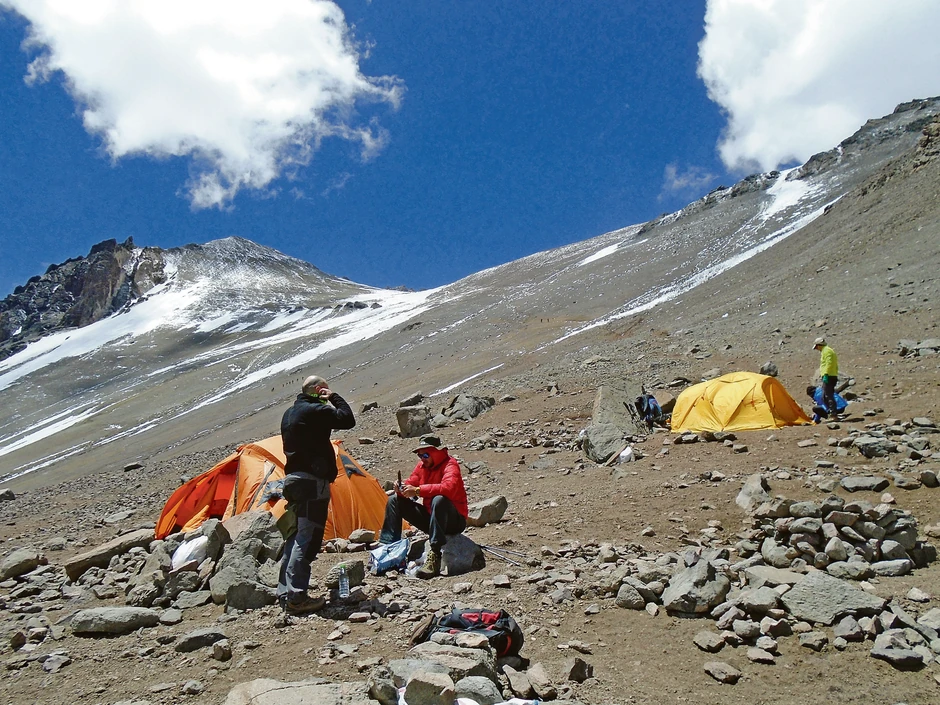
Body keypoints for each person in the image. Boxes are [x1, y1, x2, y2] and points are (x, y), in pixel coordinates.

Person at [277, 374, 355, 615]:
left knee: (295, 535)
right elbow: (347, 419)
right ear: (319, 390)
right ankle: (298, 597)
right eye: (324, 390)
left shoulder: (290, 413)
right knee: (308, 538)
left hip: (294, 479)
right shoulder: (313, 411)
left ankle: (285, 592)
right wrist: (332, 397)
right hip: (313, 481)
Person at [379, 435, 468, 579]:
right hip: (432, 519)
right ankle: (389, 550)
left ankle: (435, 555)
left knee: (439, 500)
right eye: (420, 455)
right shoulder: (422, 467)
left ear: (436, 452)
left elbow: (448, 488)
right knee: (394, 501)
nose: (422, 458)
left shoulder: (450, 465)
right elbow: (412, 482)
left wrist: (418, 491)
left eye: (426, 455)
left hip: (454, 521)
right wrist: (401, 489)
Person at [813, 337, 839, 417]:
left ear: (819, 345)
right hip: (830, 375)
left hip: (829, 376)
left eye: (816, 347)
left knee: (828, 395)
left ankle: (833, 414)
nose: (817, 349)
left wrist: (826, 374)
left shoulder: (827, 351)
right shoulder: (826, 351)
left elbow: (829, 363)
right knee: (825, 395)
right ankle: (831, 412)